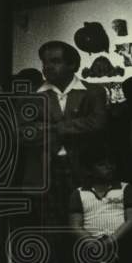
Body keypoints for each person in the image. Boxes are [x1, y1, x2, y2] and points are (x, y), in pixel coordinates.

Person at [20, 41, 108, 229]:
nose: (48, 67)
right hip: (44, 173)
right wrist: (75, 126)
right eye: (44, 62)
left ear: (73, 65)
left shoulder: (93, 92)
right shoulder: (32, 96)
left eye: (55, 61)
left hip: (83, 170)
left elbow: (97, 124)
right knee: (49, 231)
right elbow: (23, 132)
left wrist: (50, 128)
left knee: (86, 227)